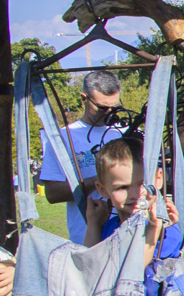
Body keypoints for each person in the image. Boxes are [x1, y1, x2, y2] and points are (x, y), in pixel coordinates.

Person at [38, 68, 127, 244]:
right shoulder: (63, 138)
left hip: (128, 235)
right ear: (84, 98)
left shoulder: (128, 132)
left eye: (114, 107)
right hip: (85, 238)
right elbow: (52, 193)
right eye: (102, 107)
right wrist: (101, 180)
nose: (109, 112)